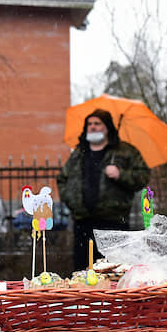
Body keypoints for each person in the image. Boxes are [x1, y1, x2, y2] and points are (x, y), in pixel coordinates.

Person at [57, 109, 150, 270]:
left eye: (97, 123)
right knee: (82, 272)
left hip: (114, 224)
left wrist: (121, 174)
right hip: (83, 224)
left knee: (113, 271)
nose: (92, 127)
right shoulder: (79, 154)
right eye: (89, 124)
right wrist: (71, 201)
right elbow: (62, 179)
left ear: (107, 127)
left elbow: (143, 176)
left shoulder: (126, 152)